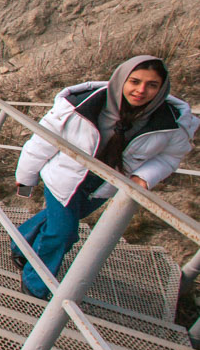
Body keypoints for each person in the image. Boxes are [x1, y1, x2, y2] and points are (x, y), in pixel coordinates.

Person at [13, 56, 195, 299]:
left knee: (57, 221)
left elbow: (171, 157)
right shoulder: (81, 105)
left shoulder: (171, 123)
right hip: (64, 178)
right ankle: (35, 285)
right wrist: (26, 179)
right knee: (64, 232)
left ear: (162, 88)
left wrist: (144, 177)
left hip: (103, 187)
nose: (141, 90)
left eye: (152, 85)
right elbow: (41, 142)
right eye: (135, 81)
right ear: (121, 79)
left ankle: (20, 244)